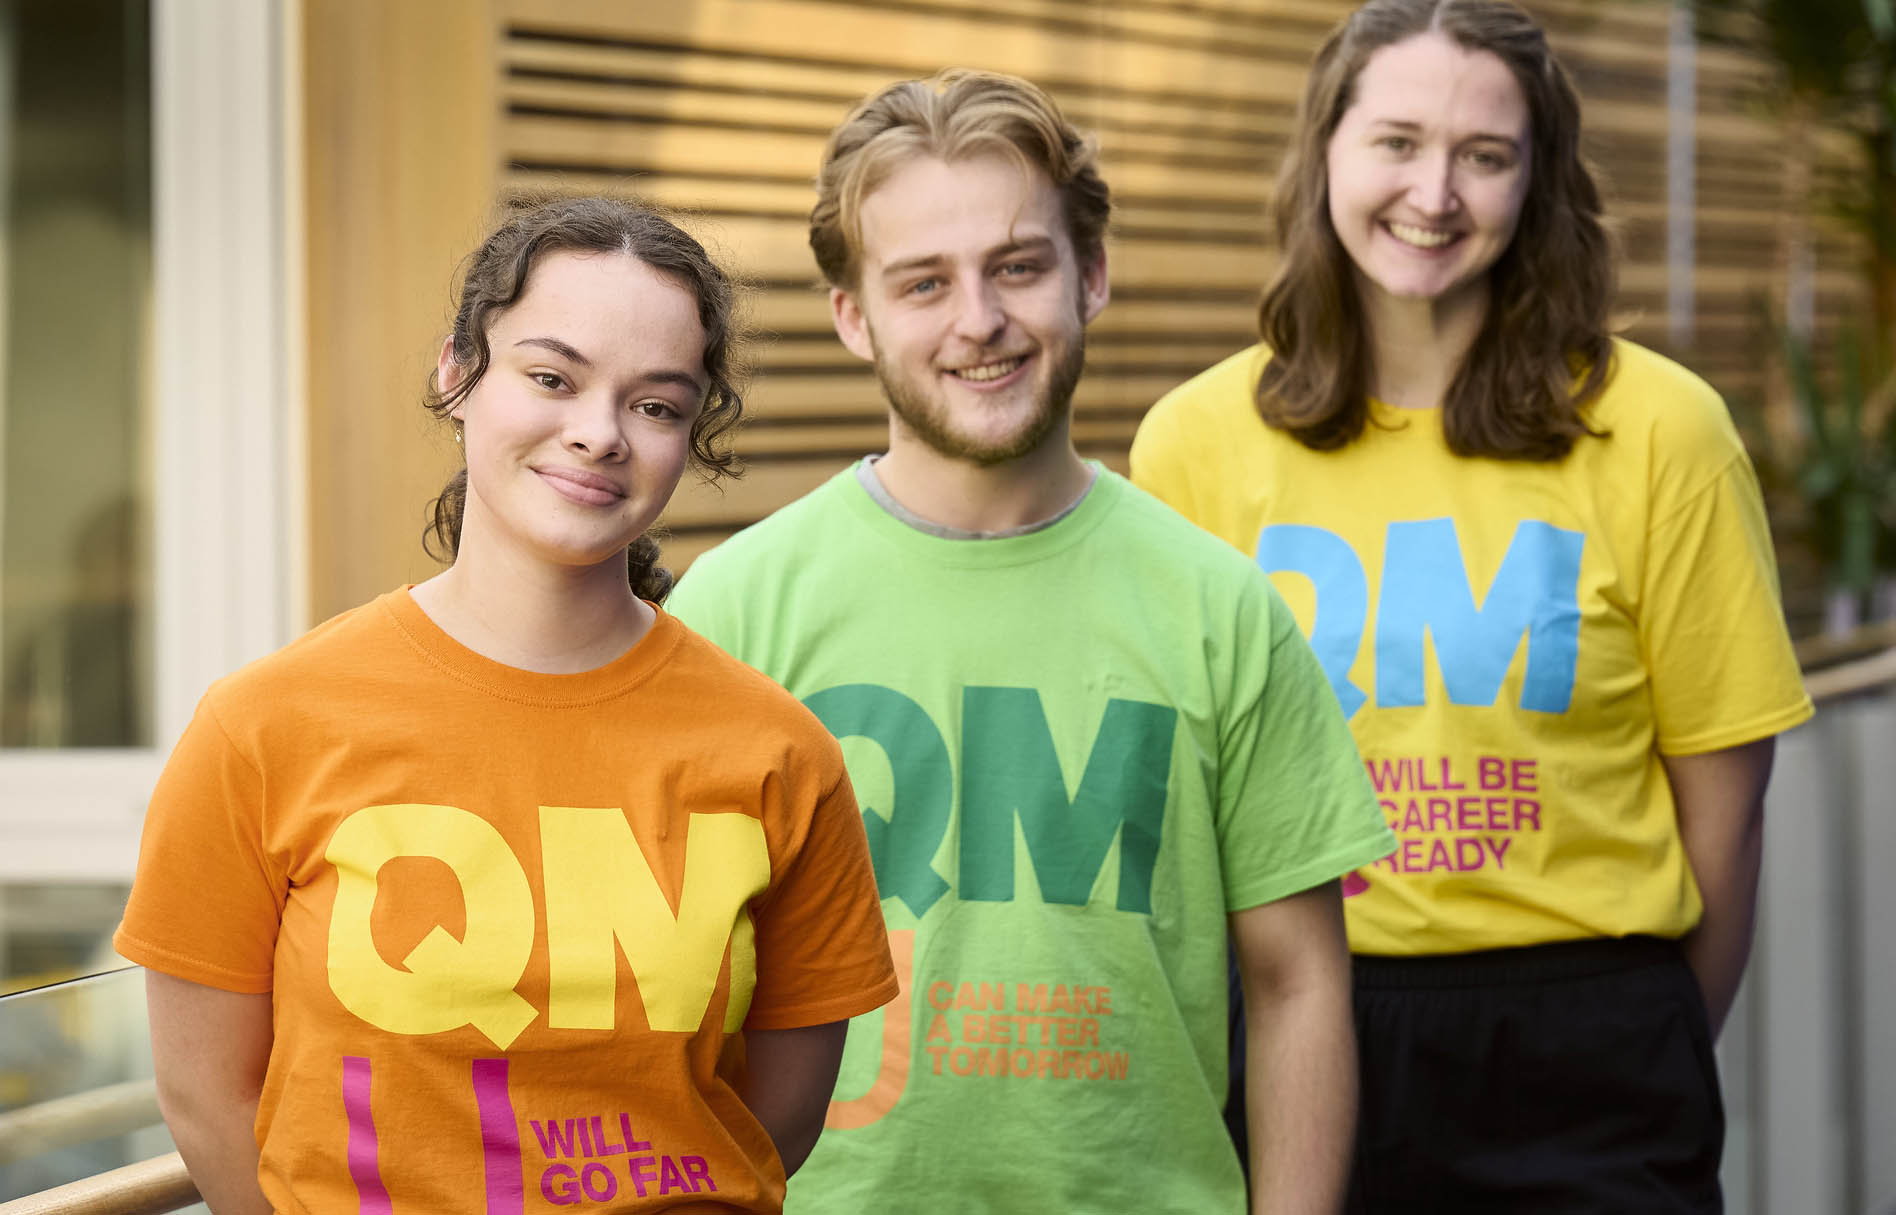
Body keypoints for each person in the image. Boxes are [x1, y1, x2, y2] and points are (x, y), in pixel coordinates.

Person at [667, 70, 1396, 1214]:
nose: (978, 320)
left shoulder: (1221, 608)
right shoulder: (736, 610)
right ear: (852, 316)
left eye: (1017, 265)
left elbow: (1297, 981)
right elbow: (675, 992)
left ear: (1089, 275)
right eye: (923, 282)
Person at [1131, 2, 1814, 1209]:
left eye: (1483, 156)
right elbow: (1183, 814)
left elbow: (1727, 812)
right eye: (1395, 142)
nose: (1432, 193)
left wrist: (1641, 1042)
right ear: (1325, 153)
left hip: (1587, 1048)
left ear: (1537, 179)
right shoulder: (1195, 443)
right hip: (1301, 1025)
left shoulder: (1661, 432)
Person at [115, 196, 898, 1215]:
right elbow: (209, 1099)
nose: (597, 434)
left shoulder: (777, 752)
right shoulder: (263, 726)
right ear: (456, 375)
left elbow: (772, 1123)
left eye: (654, 405)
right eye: (549, 378)